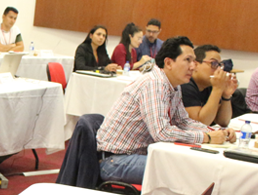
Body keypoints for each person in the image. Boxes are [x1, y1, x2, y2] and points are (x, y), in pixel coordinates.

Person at [97, 37, 235, 184]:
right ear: (168, 63)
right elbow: (161, 133)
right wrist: (206, 137)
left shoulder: (173, 86)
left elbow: (183, 121)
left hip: (138, 156)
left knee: (190, 168)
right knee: (185, 172)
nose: (193, 67)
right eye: (187, 60)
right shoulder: (154, 84)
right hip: (116, 161)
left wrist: (216, 132)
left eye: (194, 61)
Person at [181, 44, 238, 127]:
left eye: (220, 65)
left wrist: (226, 96)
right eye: (213, 64)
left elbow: (223, 122)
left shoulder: (210, 86)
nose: (219, 69)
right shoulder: (185, 84)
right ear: (195, 65)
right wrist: (217, 89)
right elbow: (199, 125)